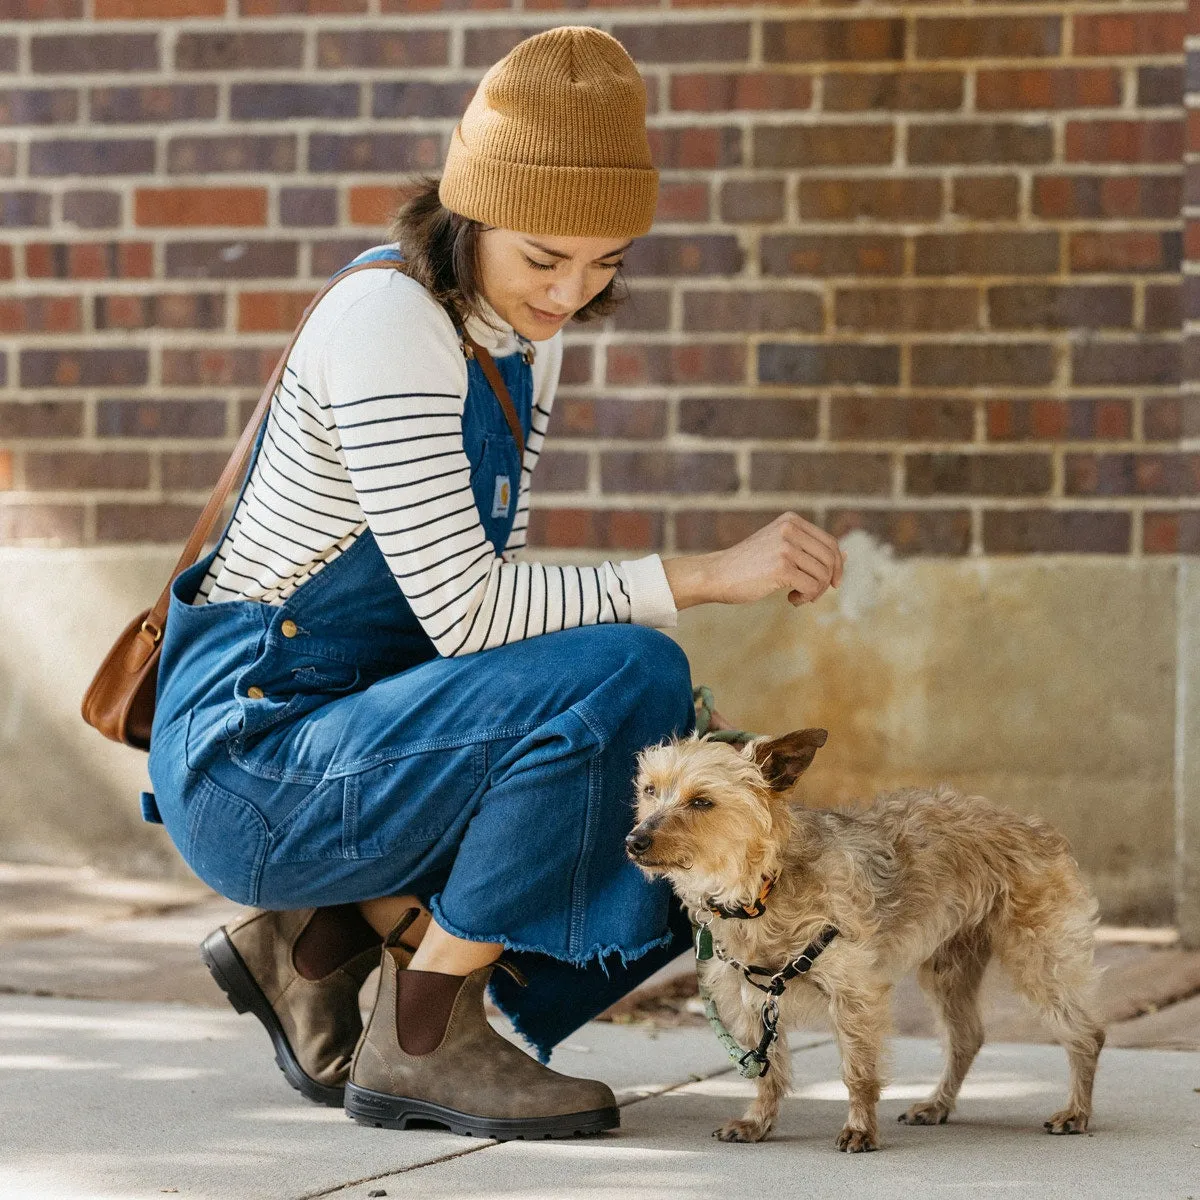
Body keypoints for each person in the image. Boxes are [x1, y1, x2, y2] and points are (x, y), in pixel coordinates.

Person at [145, 26, 845, 1139]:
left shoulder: (512, 328)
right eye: (545, 257)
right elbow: (467, 610)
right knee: (629, 673)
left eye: (607, 260)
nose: (572, 293)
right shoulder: (389, 323)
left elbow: (473, 624)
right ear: (468, 214)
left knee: (654, 740)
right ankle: (425, 1035)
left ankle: (314, 945)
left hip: (350, 731)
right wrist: (704, 575)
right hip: (255, 757)